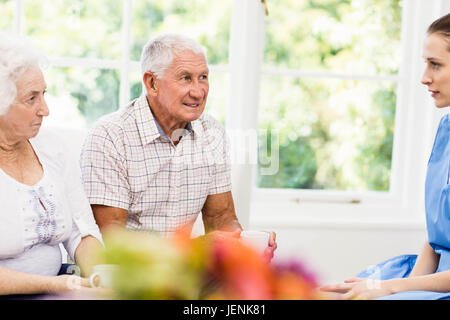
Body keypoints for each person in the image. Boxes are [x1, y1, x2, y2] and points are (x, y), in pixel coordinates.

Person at [80, 33, 277, 260]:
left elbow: (221, 219)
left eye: (203, 77)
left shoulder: (211, 132)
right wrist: (196, 248)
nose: (198, 91)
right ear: (152, 83)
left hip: (187, 276)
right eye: (185, 78)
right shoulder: (110, 136)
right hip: (129, 279)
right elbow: (113, 243)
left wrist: (245, 246)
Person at [321, 13, 450, 300]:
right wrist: (402, 290)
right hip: (429, 277)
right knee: (326, 294)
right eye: (425, 63)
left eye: (436, 65)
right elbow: (434, 238)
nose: (424, 77)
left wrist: (391, 288)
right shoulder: (446, 129)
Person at [0, 33, 103, 296]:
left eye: (43, 94)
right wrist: (55, 285)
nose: (45, 109)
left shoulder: (52, 147)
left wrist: (100, 276)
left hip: (59, 285)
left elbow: (83, 232)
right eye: (31, 98)